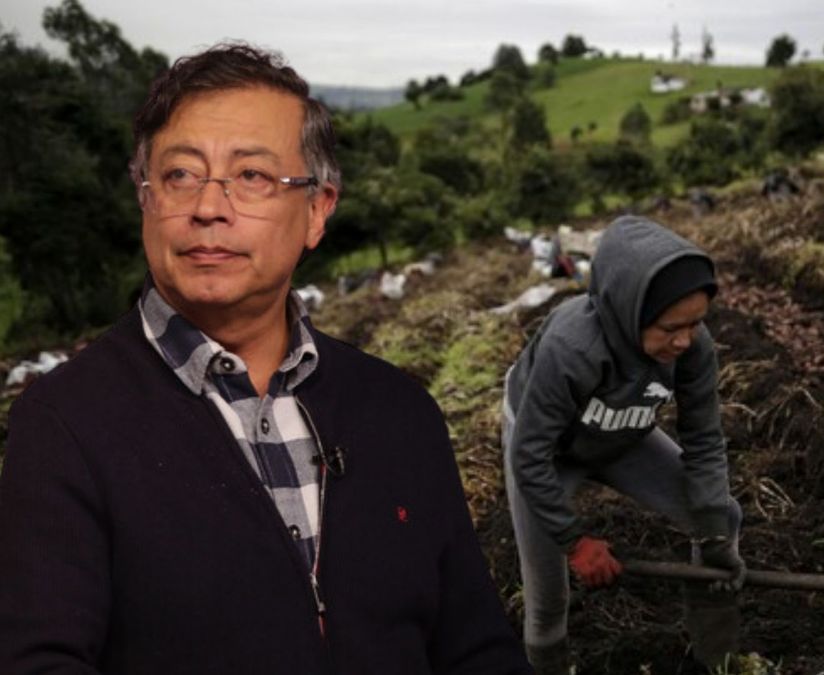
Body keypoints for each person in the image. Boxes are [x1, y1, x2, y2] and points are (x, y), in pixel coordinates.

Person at [0, 44, 530, 675]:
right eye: (179, 176)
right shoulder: (65, 424)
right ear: (146, 200)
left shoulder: (398, 411)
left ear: (316, 210)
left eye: (251, 176)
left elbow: (474, 646)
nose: (208, 207)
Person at [502, 216, 745, 674]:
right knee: (547, 593)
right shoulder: (573, 347)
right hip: (547, 451)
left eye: (695, 323)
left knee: (722, 516)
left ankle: (717, 658)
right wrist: (575, 542)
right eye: (670, 327)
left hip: (622, 433)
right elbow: (529, 457)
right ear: (627, 310)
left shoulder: (692, 346)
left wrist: (713, 539)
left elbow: (704, 439)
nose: (684, 339)